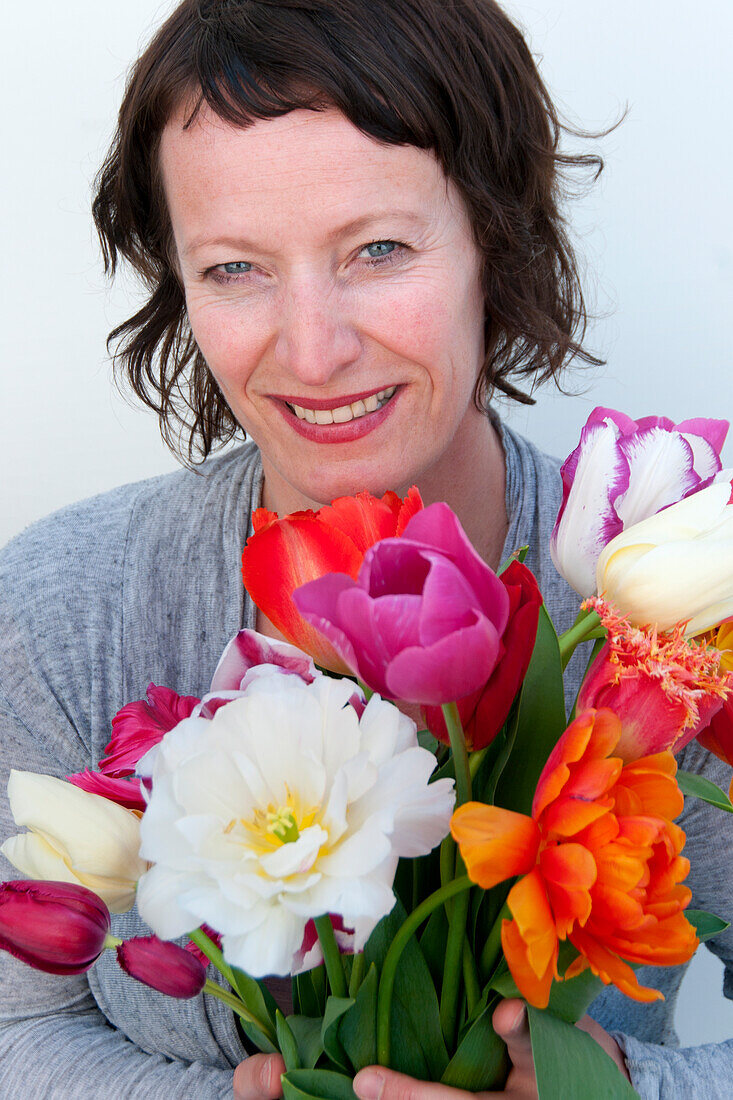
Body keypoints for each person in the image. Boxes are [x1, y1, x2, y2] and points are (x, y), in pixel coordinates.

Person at [0, 1, 730, 1097]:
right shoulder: (62, 607)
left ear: (498, 233)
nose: (312, 347)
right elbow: (18, 1024)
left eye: (378, 249)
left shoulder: (679, 616)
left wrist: (618, 1086)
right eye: (235, 268)